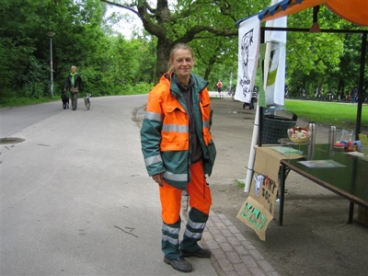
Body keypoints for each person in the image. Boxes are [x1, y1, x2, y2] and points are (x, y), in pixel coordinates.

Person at [140, 43, 216, 273]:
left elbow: (206, 124)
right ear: (172, 64)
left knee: (203, 203)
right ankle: (171, 253)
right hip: (170, 163)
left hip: (195, 161)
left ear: (193, 61)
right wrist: (155, 168)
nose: (184, 64)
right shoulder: (159, 93)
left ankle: (190, 244)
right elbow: (149, 133)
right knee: (171, 209)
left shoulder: (201, 89)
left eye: (188, 59)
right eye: (179, 60)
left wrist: (206, 154)